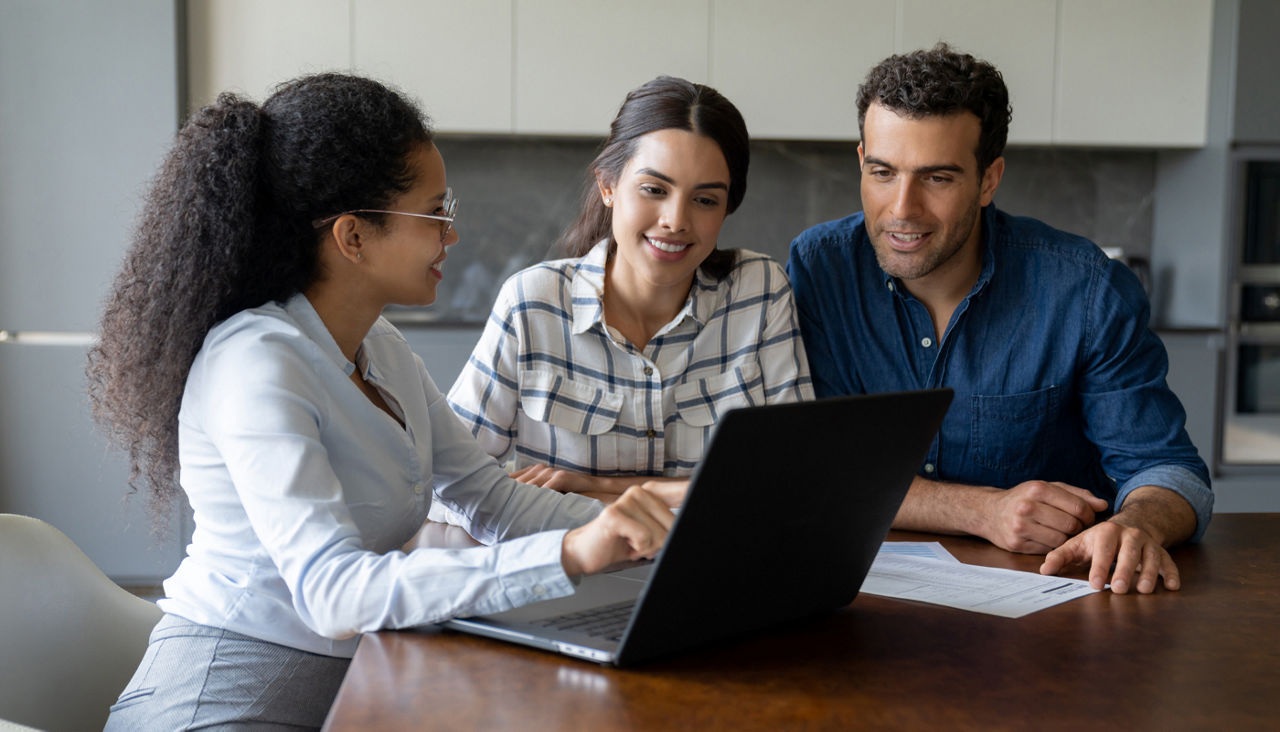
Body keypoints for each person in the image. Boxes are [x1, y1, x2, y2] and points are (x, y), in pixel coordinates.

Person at [87, 73, 679, 729]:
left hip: (350, 686)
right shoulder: (256, 364)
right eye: (435, 214)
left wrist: (654, 535)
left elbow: (492, 499)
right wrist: (570, 554)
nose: (451, 237)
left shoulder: (381, 347)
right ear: (353, 237)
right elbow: (333, 595)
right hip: (222, 699)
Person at [785, 45, 1212, 595]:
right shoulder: (821, 269)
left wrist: (1137, 525)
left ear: (989, 180)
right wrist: (980, 510)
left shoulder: (1085, 289)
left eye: (937, 178)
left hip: (1053, 608)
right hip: (862, 605)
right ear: (862, 159)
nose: (902, 208)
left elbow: (1170, 470)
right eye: (882, 172)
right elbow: (821, 469)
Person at [443, 76, 813, 505]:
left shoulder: (760, 292)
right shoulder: (532, 303)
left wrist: (603, 489)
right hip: (570, 568)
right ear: (608, 186)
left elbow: (797, 478)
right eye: (654, 190)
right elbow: (449, 482)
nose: (676, 220)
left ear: (727, 207)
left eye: (705, 200)